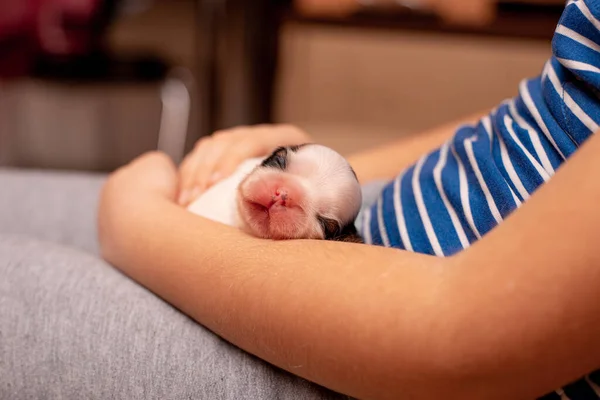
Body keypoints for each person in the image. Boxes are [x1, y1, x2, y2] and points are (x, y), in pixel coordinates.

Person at [2, 1, 599, 399]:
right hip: (359, 249)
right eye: (282, 167)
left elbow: (459, 339)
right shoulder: (317, 197)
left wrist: (133, 223)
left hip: (366, 351)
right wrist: (326, 163)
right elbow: (528, 117)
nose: (286, 186)